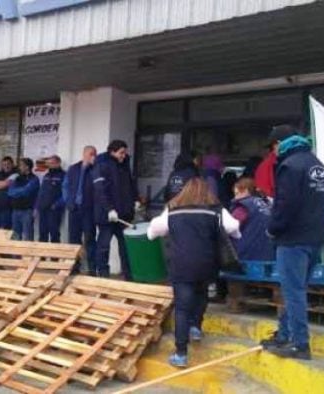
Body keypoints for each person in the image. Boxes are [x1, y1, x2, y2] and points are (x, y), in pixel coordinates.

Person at [147, 178, 240, 368]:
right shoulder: (215, 210)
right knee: (202, 293)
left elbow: (153, 231)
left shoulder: (172, 210)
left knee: (182, 307)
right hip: (207, 263)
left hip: (181, 264)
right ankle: (196, 327)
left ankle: (181, 353)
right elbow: (233, 227)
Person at [262, 126, 324, 361]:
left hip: (292, 239)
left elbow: (285, 205)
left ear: (280, 142)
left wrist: (273, 228)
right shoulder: (318, 165)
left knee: (293, 292)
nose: (273, 153)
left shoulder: (290, 166)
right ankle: (284, 334)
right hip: (315, 238)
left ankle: (300, 344)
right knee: (296, 290)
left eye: (273, 147)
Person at [93, 140, 139, 279]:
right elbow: (100, 190)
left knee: (125, 248)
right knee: (103, 247)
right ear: (112, 152)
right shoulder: (102, 165)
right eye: (121, 153)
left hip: (124, 215)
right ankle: (103, 275)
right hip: (107, 216)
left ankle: (128, 276)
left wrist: (135, 200)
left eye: (125, 153)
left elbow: (131, 185)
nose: (123, 155)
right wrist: (109, 209)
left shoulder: (124, 165)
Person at [64, 146, 97, 273]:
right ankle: (75, 267)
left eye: (95, 154)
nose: (93, 156)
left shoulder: (96, 169)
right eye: (91, 153)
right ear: (84, 154)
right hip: (74, 209)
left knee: (89, 239)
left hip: (88, 210)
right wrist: (68, 201)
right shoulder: (73, 168)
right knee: (73, 240)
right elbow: (65, 186)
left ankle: (92, 268)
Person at [230, 178, 275, 261]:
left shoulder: (243, 206)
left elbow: (230, 227)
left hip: (248, 254)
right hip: (269, 253)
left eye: (238, 193)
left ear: (246, 190)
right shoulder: (267, 204)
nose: (236, 197)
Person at [8, 158, 40, 241]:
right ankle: (15, 254)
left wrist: (18, 191)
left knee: (28, 235)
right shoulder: (17, 178)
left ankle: (28, 254)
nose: (19, 167)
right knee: (15, 235)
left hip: (27, 211)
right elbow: (10, 192)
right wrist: (20, 190)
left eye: (21, 165)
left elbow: (26, 191)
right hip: (15, 210)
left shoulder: (34, 179)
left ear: (27, 167)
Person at [37, 155, 66, 243]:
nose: (50, 165)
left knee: (54, 234)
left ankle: (55, 257)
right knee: (42, 234)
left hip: (54, 210)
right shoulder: (46, 175)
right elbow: (41, 192)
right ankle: (42, 256)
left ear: (58, 163)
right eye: (48, 163)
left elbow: (66, 194)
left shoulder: (63, 175)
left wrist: (56, 205)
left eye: (52, 163)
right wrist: (37, 206)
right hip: (43, 209)